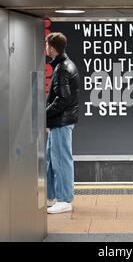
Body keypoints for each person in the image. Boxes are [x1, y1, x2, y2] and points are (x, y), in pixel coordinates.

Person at [45, 32, 80, 214]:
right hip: (58, 122)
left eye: (47, 45)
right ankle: (52, 196)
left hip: (61, 121)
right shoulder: (63, 66)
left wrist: (43, 115)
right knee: (52, 160)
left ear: (51, 47)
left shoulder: (63, 68)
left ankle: (65, 200)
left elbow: (62, 100)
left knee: (61, 160)